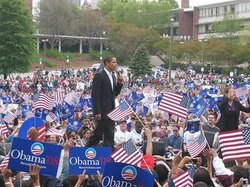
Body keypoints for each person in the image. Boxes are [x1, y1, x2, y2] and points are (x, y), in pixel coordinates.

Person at [86, 56, 123, 148]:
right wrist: (97, 112)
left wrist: (119, 84)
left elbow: (114, 94)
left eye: (116, 62)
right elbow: (95, 95)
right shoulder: (99, 75)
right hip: (102, 112)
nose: (116, 64)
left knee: (110, 135)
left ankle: (107, 156)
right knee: (98, 134)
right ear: (107, 63)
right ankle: (85, 152)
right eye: (114, 62)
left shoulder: (113, 77)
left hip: (111, 111)